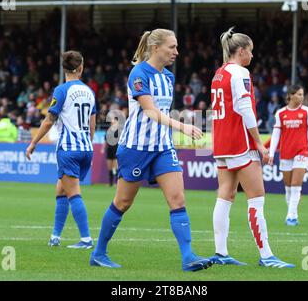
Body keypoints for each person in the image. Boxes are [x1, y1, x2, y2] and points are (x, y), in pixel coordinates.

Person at [89, 29, 213, 271]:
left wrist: (173, 131)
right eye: (172, 47)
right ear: (156, 48)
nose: (176, 52)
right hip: (136, 148)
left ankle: (188, 257)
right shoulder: (139, 73)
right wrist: (183, 127)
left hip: (163, 148)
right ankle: (98, 252)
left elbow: (162, 113)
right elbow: (150, 111)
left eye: (176, 47)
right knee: (123, 202)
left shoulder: (167, 76)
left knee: (177, 199)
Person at [211, 26, 294, 268]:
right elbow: (244, 108)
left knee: (225, 195)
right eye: (250, 51)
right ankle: (266, 255)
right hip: (239, 142)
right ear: (241, 51)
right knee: (256, 197)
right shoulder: (240, 73)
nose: (252, 56)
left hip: (221, 143)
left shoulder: (219, 73)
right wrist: (258, 142)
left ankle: (221, 252)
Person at [26, 50, 96, 249]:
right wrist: (87, 144)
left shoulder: (62, 90)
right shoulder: (89, 92)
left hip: (68, 149)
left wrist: (33, 143)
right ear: (81, 68)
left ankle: (86, 239)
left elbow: (49, 120)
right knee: (61, 190)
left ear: (64, 69)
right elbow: (92, 123)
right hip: (85, 149)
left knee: (73, 192)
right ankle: (55, 236)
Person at [268, 85, 308, 226]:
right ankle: (294, 214)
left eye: (303, 94)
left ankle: (290, 217)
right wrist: (271, 153)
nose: (302, 97)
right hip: (285, 153)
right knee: (288, 187)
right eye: (299, 94)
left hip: (302, 152)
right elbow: (276, 135)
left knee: (296, 185)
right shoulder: (281, 113)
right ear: (290, 96)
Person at [102, 114, 119, 186]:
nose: (113, 122)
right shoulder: (108, 131)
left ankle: (117, 183)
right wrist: (103, 148)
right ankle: (110, 183)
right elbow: (105, 141)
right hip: (109, 149)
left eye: (114, 121)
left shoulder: (119, 131)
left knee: (115, 167)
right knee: (109, 167)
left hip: (116, 149)